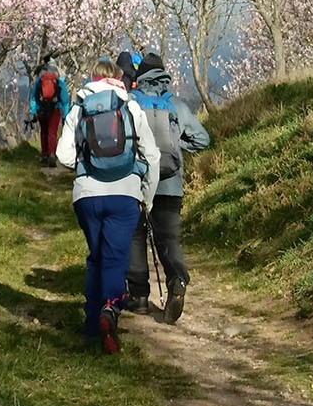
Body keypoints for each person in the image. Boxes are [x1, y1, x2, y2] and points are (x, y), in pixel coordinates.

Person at [56, 58, 160, 353]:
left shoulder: (79, 108)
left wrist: (86, 164)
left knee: (97, 257)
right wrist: (146, 197)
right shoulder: (130, 106)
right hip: (125, 194)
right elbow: (151, 156)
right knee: (115, 258)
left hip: (87, 195)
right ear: (118, 79)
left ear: (92, 79)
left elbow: (63, 156)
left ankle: (92, 323)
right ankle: (110, 310)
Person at [126, 51, 210, 324]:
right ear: (164, 75)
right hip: (171, 183)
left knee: (136, 238)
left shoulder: (131, 103)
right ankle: (177, 278)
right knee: (169, 238)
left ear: (140, 77)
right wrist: (177, 148)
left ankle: (138, 297)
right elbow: (202, 139)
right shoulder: (177, 105)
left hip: (137, 183)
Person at [29, 54, 69, 166]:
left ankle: (45, 154)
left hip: (41, 108)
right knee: (52, 132)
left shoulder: (39, 79)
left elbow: (33, 96)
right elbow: (65, 99)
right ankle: (52, 153)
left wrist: (33, 111)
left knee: (44, 131)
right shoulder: (59, 79)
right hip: (55, 109)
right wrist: (66, 115)